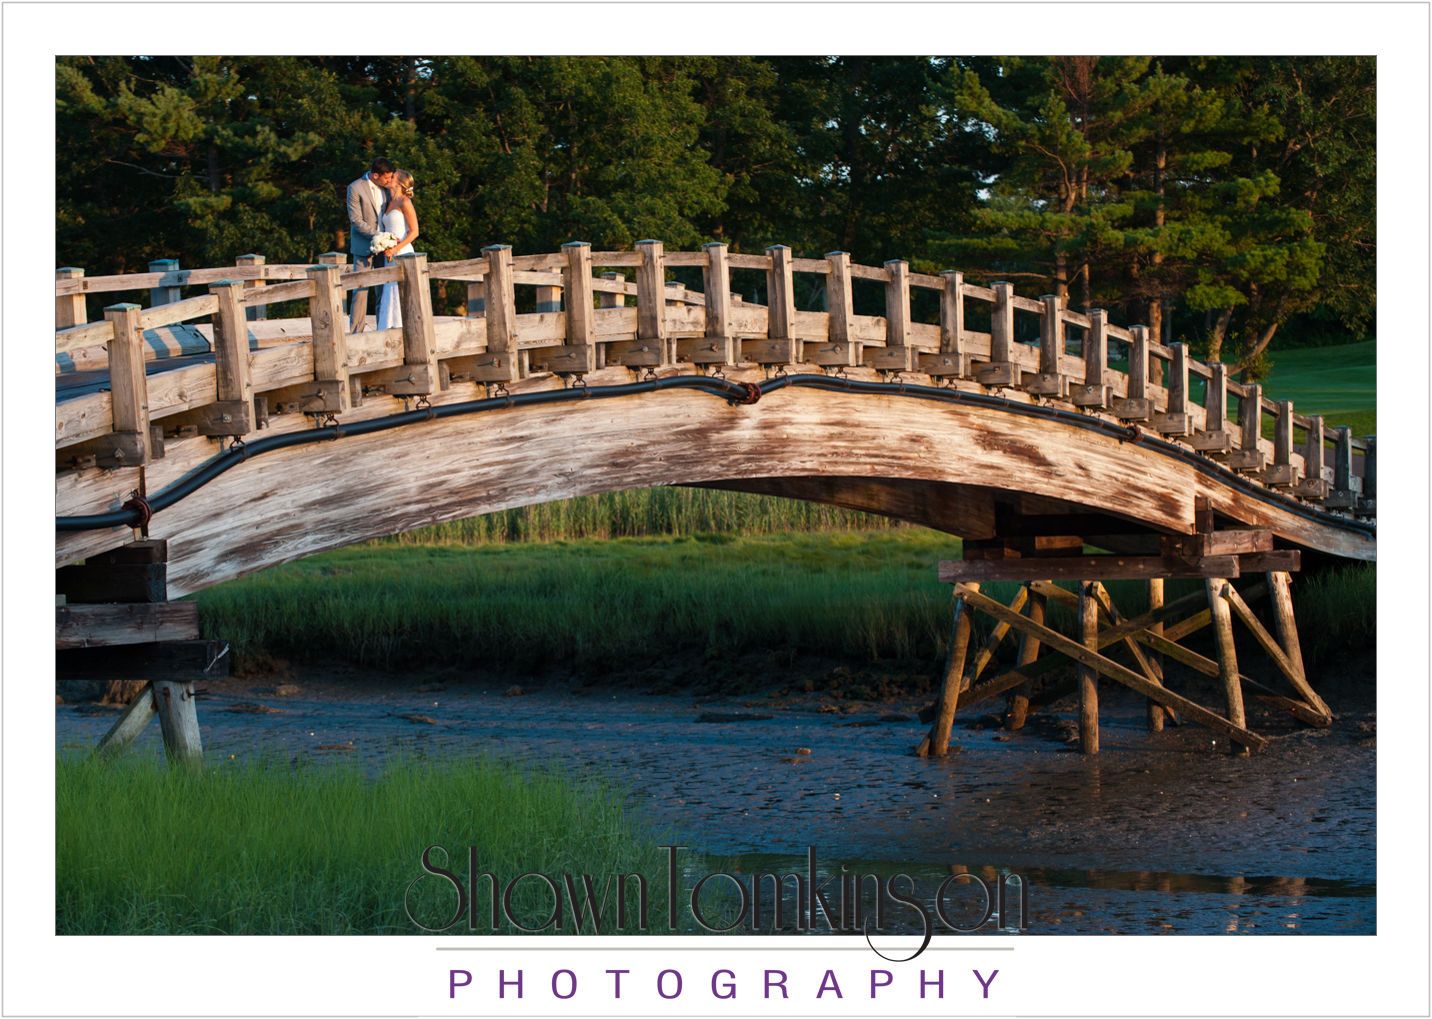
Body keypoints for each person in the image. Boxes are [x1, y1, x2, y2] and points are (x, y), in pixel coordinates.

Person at [346, 157, 395, 330]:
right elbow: (356, 220)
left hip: (386, 248)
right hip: (363, 246)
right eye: (386, 178)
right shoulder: (355, 188)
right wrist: (378, 236)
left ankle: (382, 328)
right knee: (360, 290)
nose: (389, 181)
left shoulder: (388, 189)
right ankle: (356, 332)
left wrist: (388, 241)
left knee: (384, 290)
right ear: (375, 175)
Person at [375, 170, 421, 330]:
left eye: (392, 177)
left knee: (399, 291)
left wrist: (395, 249)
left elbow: (415, 231)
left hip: (402, 253)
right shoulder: (389, 201)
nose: (388, 178)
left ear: (400, 183)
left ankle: (403, 328)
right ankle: (388, 328)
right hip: (389, 254)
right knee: (390, 290)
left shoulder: (404, 202)